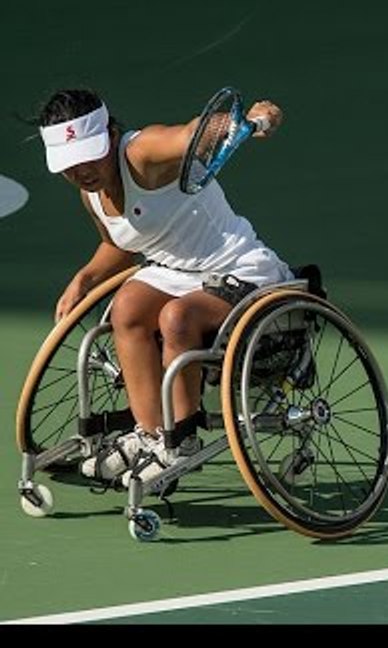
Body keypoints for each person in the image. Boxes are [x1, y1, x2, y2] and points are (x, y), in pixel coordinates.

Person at [36, 87, 293, 486]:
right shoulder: (92, 196)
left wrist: (243, 120)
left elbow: (192, 135)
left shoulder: (141, 153)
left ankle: (181, 440)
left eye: (90, 154)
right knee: (126, 309)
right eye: (70, 164)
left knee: (177, 318)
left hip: (239, 270)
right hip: (177, 273)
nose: (81, 170)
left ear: (112, 135)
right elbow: (119, 243)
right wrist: (84, 278)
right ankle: (151, 432)